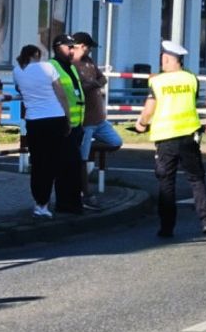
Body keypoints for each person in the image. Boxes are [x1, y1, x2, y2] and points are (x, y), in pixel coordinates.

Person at [135, 40, 206, 238]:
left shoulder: (157, 82)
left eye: (162, 58)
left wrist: (141, 124)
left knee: (167, 183)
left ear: (166, 59)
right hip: (189, 137)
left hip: (166, 139)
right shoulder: (191, 79)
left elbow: (149, 110)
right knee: (197, 180)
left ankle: (167, 228)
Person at [11, 44, 70, 219]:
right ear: (37, 54)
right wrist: (67, 117)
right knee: (51, 162)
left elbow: (19, 89)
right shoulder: (48, 67)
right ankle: (44, 202)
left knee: (37, 162)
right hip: (54, 118)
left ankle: (38, 200)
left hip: (34, 121)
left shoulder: (17, 70)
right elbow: (61, 93)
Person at [70, 32, 123, 206]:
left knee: (115, 141)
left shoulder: (89, 62)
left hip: (98, 117)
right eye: (87, 47)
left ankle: (90, 152)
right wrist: (90, 85)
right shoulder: (71, 64)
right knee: (81, 160)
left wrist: (97, 82)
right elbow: (73, 89)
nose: (90, 50)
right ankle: (84, 193)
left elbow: (102, 78)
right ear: (80, 46)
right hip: (84, 120)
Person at [48, 33, 86, 214]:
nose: (72, 50)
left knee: (74, 166)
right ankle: (65, 204)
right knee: (65, 166)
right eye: (68, 47)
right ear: (57, 47)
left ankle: (73, 203)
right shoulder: (52, 66)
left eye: (73, 47)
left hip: (76, 124)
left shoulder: (70, 66)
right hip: (63, 125)